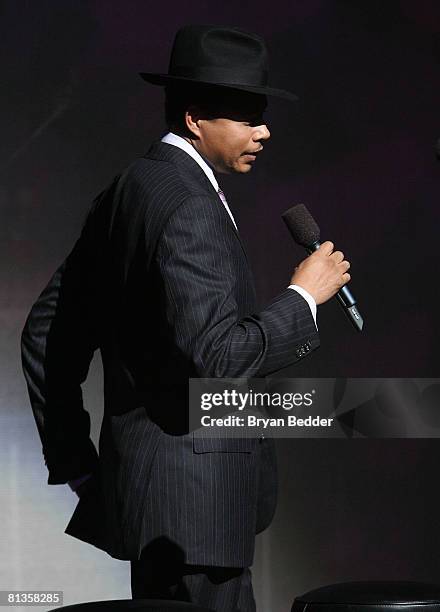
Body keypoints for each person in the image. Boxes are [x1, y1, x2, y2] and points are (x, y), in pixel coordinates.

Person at [21, 25, 350, 611]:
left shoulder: (132, 187)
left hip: (157, 509)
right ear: (196, 118)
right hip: (197, 515)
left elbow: (48, 334)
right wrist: (303, 299)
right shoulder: (188, 204)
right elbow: (219, 359)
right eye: (248, 116)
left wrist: (78, 464)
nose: (264, 130)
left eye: (263, 114)